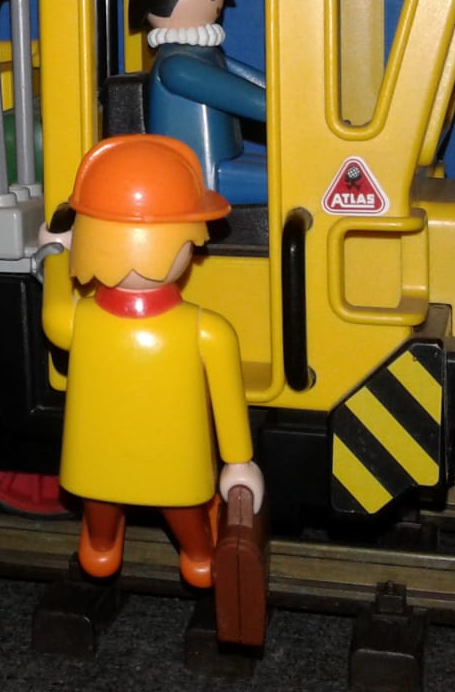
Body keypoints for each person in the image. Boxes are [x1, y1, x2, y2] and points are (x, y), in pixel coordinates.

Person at [40, 133, 263, 588]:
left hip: (132, 460)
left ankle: (159, 546)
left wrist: (56, 254)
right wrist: (238, 462)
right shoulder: (205, 328)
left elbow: (55, 317)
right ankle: (154, 546)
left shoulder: (87, 321)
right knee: (122, 504)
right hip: (133, 462)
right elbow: (228, 403)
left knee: (155, 506)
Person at [127, 0, 267, 204]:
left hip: (224, 161)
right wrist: (278, 108)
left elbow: (246, 79)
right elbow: (235, 94)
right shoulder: (177, 66)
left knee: (292, 166)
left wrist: (285, 95)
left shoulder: (203, 52)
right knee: (296, 179)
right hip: (201, 176)